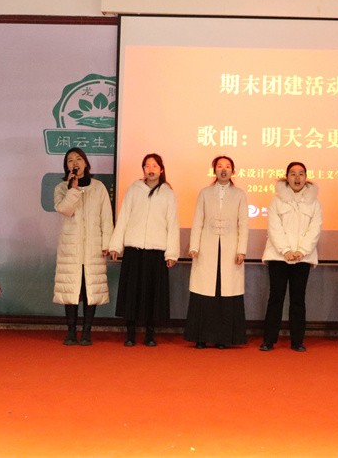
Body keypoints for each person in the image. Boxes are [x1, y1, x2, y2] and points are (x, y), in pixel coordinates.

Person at [108, 154, 180, 347]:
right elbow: (123, 217)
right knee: (132, 293)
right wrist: (115, 245)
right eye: (147, 166)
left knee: (152, 294)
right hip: (134, 249)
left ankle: (150, 334)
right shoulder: (134, 189)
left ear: (161, 170)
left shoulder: (168, 193)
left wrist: (172, 253)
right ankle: (130, 334)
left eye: (155, 166)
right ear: (143, 170)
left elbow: (172, 224)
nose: (151, 169)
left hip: (156, 251)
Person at [184, 156, 249, 349]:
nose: (223, 169)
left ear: (233, 171)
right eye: (220, 166)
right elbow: (198, 221)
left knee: (226, 292)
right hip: (206, 248)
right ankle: (201, 337)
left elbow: (244, 224)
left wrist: (241, 250)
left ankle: (223, 338)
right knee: (204, 292)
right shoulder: (205, 193)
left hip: (230, 249)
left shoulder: (239, 194)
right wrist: (194, 246)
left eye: (227, 166)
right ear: (214, 170)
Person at [259, 162, 323, 353]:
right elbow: (274, 228)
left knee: (298, 299)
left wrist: (301, 251)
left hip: (302, 258)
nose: (297, 178)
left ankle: (297, 341)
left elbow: (315, 229)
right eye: (293, 174)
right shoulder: (276, 200)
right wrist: (286, 250)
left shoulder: (314, 203)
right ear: (286, 177)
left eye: (301, 174)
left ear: (306, 177)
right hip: (278, 257)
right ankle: (269, 340)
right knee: (276, 298)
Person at [53, 148, 113, 346]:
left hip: (93, 248)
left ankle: (87, 332)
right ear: (66, 166)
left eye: (78, 159)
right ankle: (71, 331)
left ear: (86, 163)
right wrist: (73, 189)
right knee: (71, 289)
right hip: (71, 248)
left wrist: (107, 243)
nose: (75, 163)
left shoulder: (99, 187)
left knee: (90, 290)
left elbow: (106, 217)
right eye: (70, 160)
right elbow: (65, 210)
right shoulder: (62, 188)